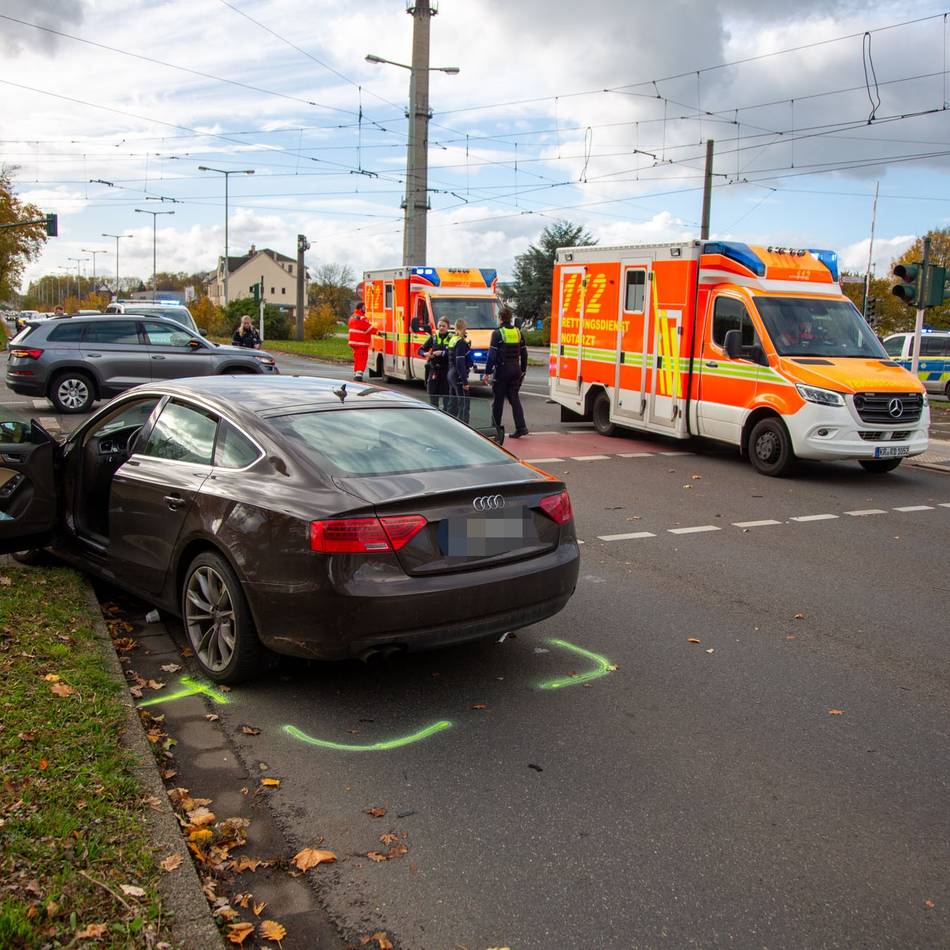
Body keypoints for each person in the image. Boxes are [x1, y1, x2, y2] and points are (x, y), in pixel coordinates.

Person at [484, 305, 528, 438]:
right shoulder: (518, 332)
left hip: (502, 370)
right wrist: (523, 370)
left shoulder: (497, 333)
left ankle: (495, 429)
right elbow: (524, 353)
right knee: (514, 399)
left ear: (501, 318)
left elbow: (491, 355)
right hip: (515, 369)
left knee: (498, 401)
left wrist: (487, 372)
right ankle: (521, 427)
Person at [418, 317, 453, 409]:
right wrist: (426, 354)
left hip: (446, 370)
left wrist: (442, 353)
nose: (441, 328)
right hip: (434, 370)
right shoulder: (433, 338)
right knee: (432, 394)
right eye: (440, 326)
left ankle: (446, 415)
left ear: (448, 327)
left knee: (447, 396)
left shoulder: (451, 339)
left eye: (443, 326)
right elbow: (420, 350)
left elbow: (453, 353)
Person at [447, 318, 474, 423]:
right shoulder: (461, 343)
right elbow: (460, 363)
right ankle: (465, 427)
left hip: (451, 373)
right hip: (458, 375)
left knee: (452, 402)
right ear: (463, 328)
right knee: (464, 403)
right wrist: (465, 381)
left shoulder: (453, 340)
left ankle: (450, 424)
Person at [347, 301, 377, 381]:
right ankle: (359, 375)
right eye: (364, 308)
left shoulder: (352, 317)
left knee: (357, 358)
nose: (365, 309)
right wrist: (378, 332)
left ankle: (356, 373)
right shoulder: (362, 317)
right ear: (360, 308)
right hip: (361, 342)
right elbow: (368, 328)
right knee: (362, 359)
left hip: (353, 342)